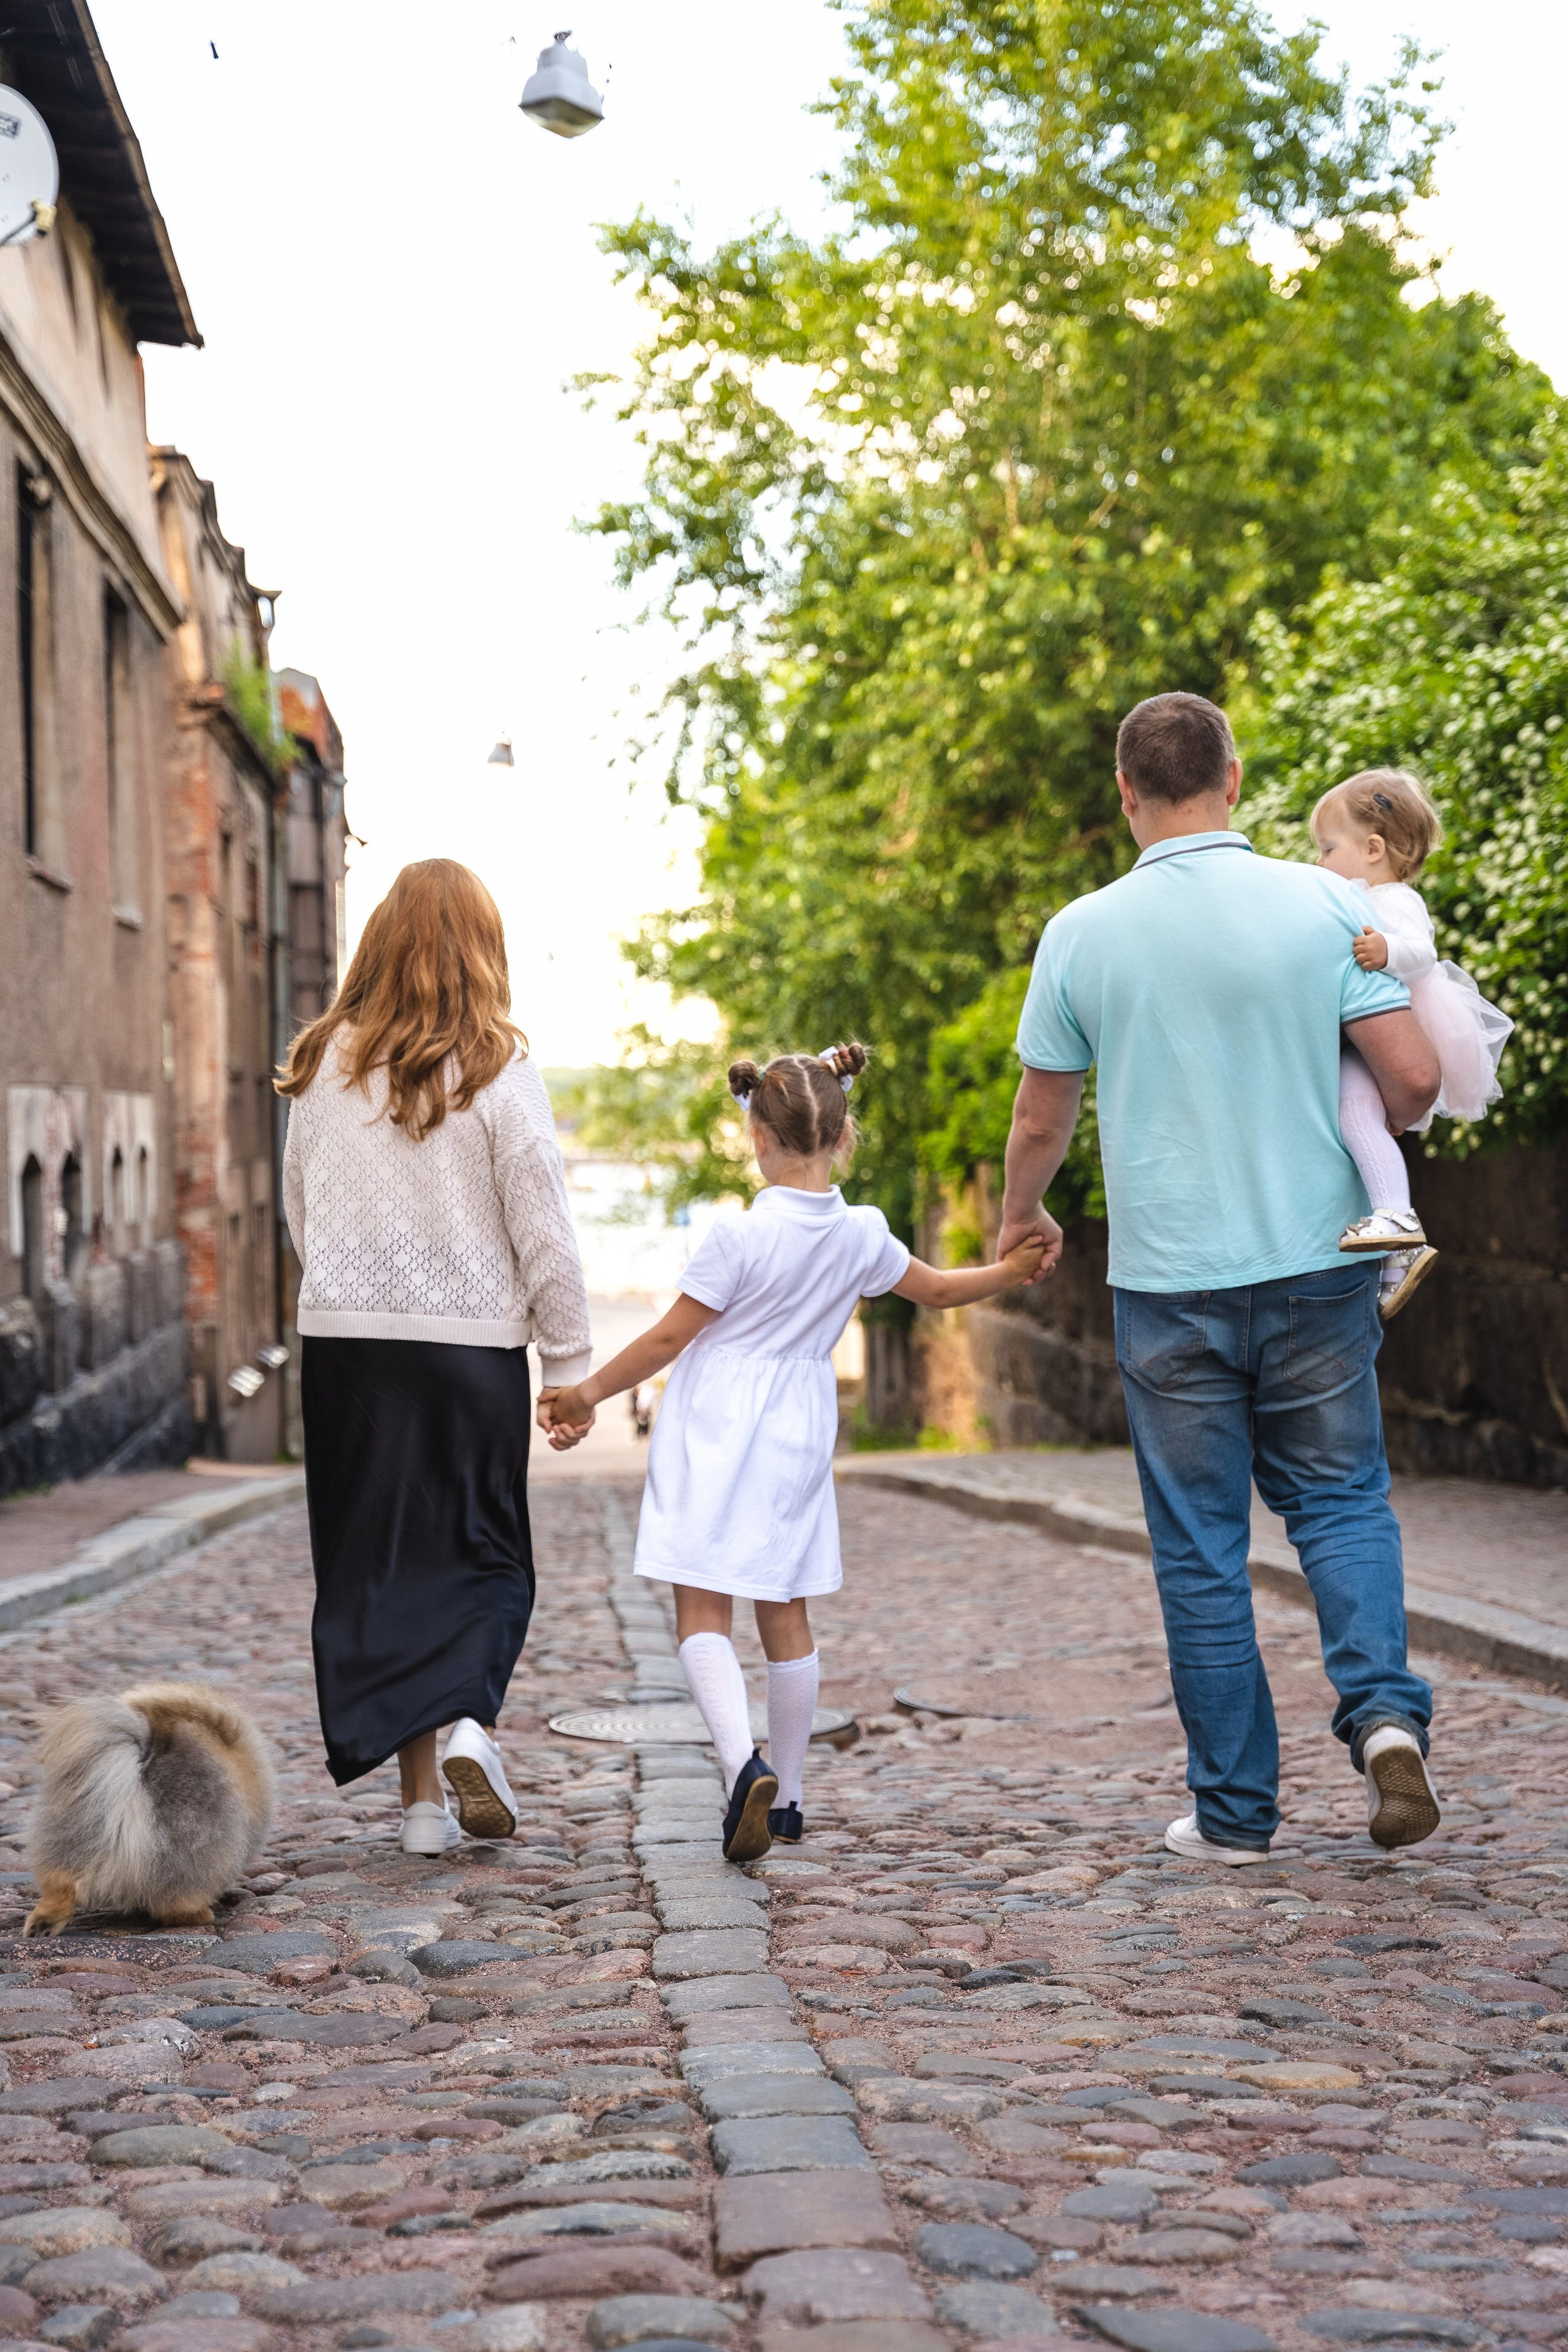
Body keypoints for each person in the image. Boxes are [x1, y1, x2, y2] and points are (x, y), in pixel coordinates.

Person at [999, 693, 1444, 1863]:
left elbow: (1043, 1113)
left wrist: (1019, 1214)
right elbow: (1411, 1081)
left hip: (1169, 1285)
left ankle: (1237, 1817)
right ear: (1235, 780)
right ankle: (1388, 1720)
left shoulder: (1083, 931)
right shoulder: (1326, 903)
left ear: (1125, 793)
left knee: (1201, 1546)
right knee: (1342, 1502)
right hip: (1316, 1268)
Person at [542, 1044, 1047, 1862]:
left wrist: (585, 1395)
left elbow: (672, 1337)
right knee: (787, 1609)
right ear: (843, 1139)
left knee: (702, 1608)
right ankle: (791, 1801)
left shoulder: (735, 1237)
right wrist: (1010, 1269)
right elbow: (943, 1290)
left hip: (716, 1426)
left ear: (758, 1138)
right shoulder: (862, 1236)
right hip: (798, 1430)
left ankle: (744, 1769)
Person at [278, 859, 590, 1856]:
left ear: (378, 943)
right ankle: (470, 1727)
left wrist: (348, 1293)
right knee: (486, 1558)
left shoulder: (323, 1064)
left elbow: (301, 1205)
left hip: (346, 1355)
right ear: (481, 949)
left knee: (381, 1570)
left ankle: (419, 1811)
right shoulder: (501, 1066)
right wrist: (570, 1361)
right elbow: (541, 1219)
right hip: (467, 1355)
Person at [1312, 767, 1512, 1322]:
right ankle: (1397, 1255)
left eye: (1328, 848)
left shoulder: (1395, 899)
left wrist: (1386, 951)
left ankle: (1397, 1218)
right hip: (1370, 1034)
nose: (1319, 861)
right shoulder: (1364, 894)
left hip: (1399, 1027)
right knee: (1357, 1118)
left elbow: (1422, 953)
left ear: (1373, 848)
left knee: (1355, 1116)